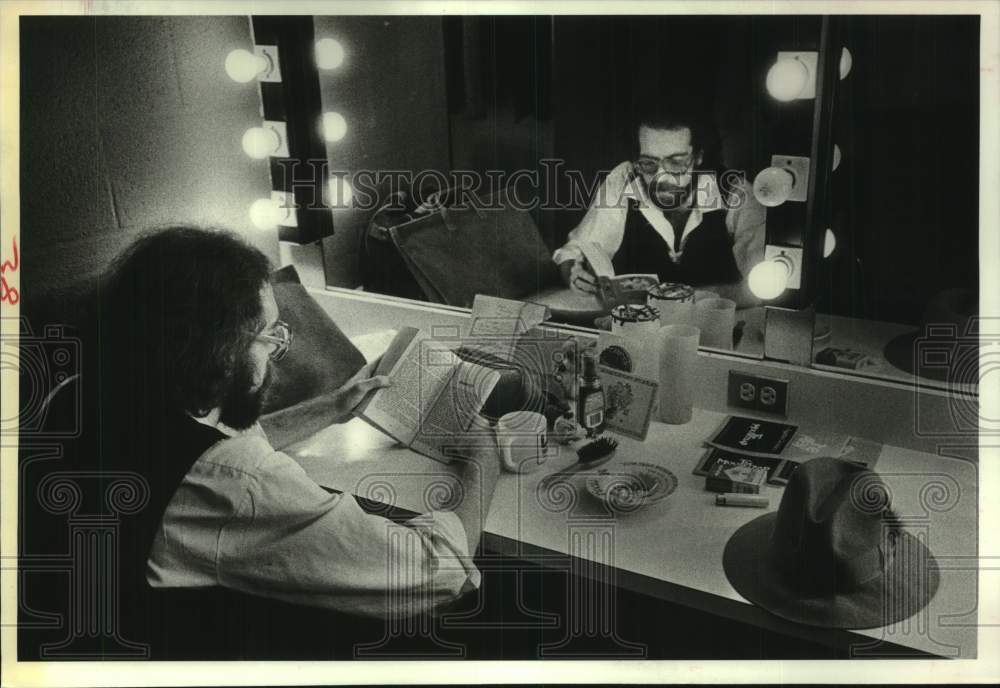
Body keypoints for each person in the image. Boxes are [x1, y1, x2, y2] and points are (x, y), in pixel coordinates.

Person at [88, 227, 501, 649]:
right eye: (268, 337)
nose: (275, 356)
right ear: (217, 352)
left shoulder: (96, 393)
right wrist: (483, 454)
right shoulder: (239, 482)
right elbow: (434, 567)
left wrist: (335, 406)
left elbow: (210, 448)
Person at [553, 100, 765, 308]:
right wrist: (575, 273)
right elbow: (573, 252)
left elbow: (762, 286)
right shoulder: (625, 179)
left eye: (676, 162)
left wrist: (685, 299)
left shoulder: (735, 192)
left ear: (699, 156)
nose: (661, 177)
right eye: (649, 163)